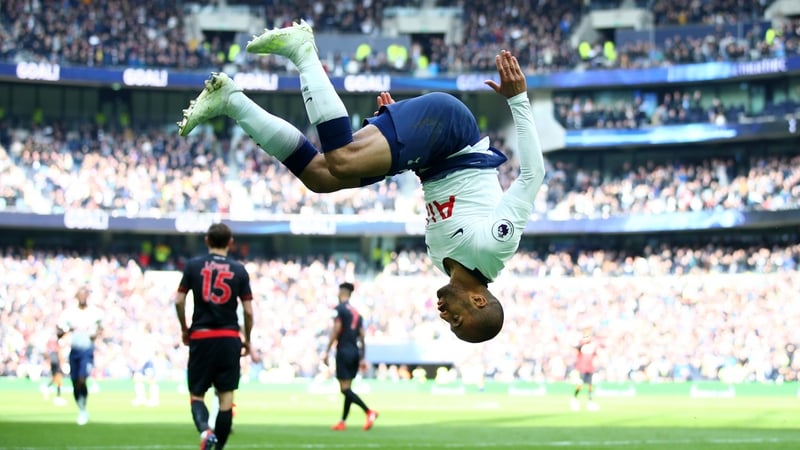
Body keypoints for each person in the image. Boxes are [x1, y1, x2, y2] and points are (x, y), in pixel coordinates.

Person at [177, 20, 545, 343]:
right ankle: (303, 50)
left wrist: (399, 132)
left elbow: (449, 189)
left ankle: (231, 101)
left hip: (427, 155)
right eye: (458, 321)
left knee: (320, 177)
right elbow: (532, 176)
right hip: (450, 130)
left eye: (451, 326)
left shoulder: (442, 262)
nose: (446, 318)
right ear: (479, 300)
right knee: (343, 157)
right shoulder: (494, 248)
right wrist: (518, 100)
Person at [174, 223, 259, 450]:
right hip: (229, 338)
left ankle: (205, 430)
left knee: (197, 395)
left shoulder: (193, 266)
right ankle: (218, 447)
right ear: (230, 243)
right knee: (226, 399)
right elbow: (249, 311)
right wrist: (247, 340)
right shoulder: (239, 270)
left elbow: (179, 300)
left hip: (201, 337)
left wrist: (185, 328)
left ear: (206, 241)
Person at [322, 282, 378, 431]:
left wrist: (326, 351)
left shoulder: (339, 309)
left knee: (344, 389)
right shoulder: (357, 313)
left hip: (344, 351)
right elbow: (362, 336)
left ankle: (368, 411)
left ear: (341, 293)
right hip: (355, 352)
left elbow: (336, 329)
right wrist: (362, 358)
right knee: (348, 388)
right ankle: (342, 421)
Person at [56, 286, 103, 425]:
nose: (82, 298)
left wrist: (96, 334)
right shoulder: (70, 313)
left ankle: (83, 409)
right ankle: (81, 407)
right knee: (75, 382)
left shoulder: (95, 312)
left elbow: (101, 328)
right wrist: (66, 330)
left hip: (87, 351)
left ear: (87, 296)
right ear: (77, 297)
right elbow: (59, 329)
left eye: (85, 295)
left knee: (82, 379)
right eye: (80, 295)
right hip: (74, 350)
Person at [571, 328, 599, 411]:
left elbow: (595, 357)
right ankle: (575, 398)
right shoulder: (581, 347)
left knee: (590, 385)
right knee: (580, 384)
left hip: (590, 369)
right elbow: (575, 348)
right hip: (582, 369)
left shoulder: (592, 347)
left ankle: (590, 402)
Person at [43, 336, 67, 406]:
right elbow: (59, 359)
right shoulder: (55, 352)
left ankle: (47, 388)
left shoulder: (55, 352)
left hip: (56, 367)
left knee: (55, 380)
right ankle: (58, 397)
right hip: (56, 367)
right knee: (59, 382)